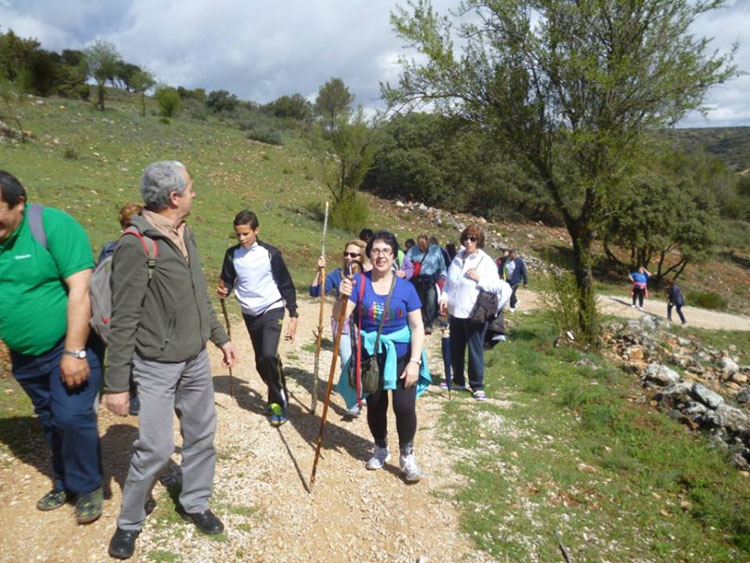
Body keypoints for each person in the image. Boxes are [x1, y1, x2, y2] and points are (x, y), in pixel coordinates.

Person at [104, 161, 236, 560]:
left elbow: (199, 295)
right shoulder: (136, 243)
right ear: (174, 197)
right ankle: (129, 523)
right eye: (191, 188)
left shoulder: (185, 233)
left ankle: (194, 502)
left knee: (200, 437)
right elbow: (124, 317)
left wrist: (221, 338)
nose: (196, 194)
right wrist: (115, 384)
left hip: (195, 359)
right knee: (157, 448)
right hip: (156, 365)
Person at [0, 170, 104, 524]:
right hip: (23, 354)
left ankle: (88, 485)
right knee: (49, 419)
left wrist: (74, 352)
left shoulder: (54, 226)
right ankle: (64, 481)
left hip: (68, 346)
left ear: (20, 205)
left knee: (72, 417)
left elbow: (81, 289)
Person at [334, 231, 430, 482]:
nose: (380, 256)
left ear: (394, 255)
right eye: (376, 250)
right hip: (370, 357)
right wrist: (342, 296)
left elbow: (417, 326)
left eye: (386, 251)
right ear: (370, 254)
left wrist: (414, 362)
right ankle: (380, 447)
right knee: (376, 406)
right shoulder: (359, 284)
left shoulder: (406, 288)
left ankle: (407, 456)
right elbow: (340, 317)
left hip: (401, 354)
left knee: (404, 406)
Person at [219, 210, 298, 426]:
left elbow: (286, 284)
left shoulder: (270, 253)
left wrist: (293, 313)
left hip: (271, 308)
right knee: (260, 361)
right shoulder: (231, 255)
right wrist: (224, 290)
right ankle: (278, 385)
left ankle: (277, 402)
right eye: (238, 235)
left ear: (256, 230)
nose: (242, 239)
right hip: (249, 313)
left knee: (268, 354)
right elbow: (227, 279)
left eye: (245, 234)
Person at [439, 225, 502, 401]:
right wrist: (444, 297)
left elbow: (496, 286)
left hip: (475, 313)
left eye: (473, 239)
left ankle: (477, 385)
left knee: (475, 350)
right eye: (466, 238)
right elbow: (449, 283)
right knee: (456, 348)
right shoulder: (458, 258)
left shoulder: (485, 261)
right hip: (455, 312)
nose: (469, 242)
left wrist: (479, 278)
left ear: (479, 241)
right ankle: (458, 380)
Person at [310, 239, 367, 416]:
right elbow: (315, 292)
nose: (349, 257)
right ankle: (353, 401)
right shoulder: (338, 274)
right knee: (347, 361)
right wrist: (319, 271)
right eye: (346, 254)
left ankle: (361, 389)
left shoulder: (369, 275)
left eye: (354, 255)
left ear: (362, 257)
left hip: (364, 324)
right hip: (342, 323)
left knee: (362, 361)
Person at [97, 202, 143, 416]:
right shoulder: (114, 249)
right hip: (123, 307)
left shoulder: (109, 248)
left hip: (116, 308)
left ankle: (134, 392)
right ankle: (133, 392)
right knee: (130, 348)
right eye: (128, 225)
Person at [406, 234, 447, 334]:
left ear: (427, 242)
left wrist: (442, 276)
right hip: (418, 279)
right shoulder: (413, 250)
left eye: (423, 244)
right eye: (420, 244)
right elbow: (406, 262)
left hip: (431, 280)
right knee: (419, 303)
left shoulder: (436, 250)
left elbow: (442, 265)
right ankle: (419, 323)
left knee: (431, 302)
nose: (421, 247)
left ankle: (429, 324)